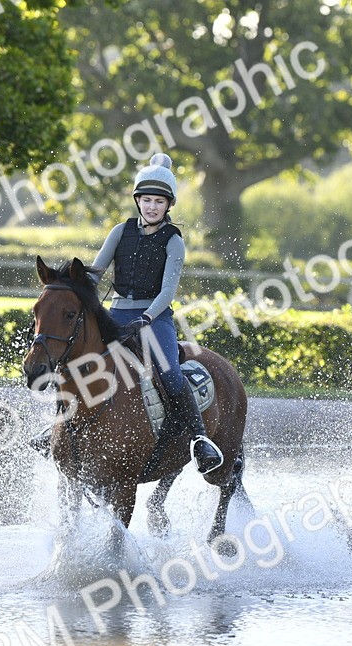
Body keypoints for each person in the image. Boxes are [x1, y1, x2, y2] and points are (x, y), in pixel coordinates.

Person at [86, 153, 224, 474]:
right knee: (81, 361)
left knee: (171, 373)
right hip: (116, 313)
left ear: (168, 205)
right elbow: (95, 272)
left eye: (158, 201)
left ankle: (200, 441)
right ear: (137, 201)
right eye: (146, 200)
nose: (151, 207)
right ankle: (64, 425)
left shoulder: (173, 240)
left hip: (154, 316)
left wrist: (147, 317)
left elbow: (167, 292)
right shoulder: (120, 231)